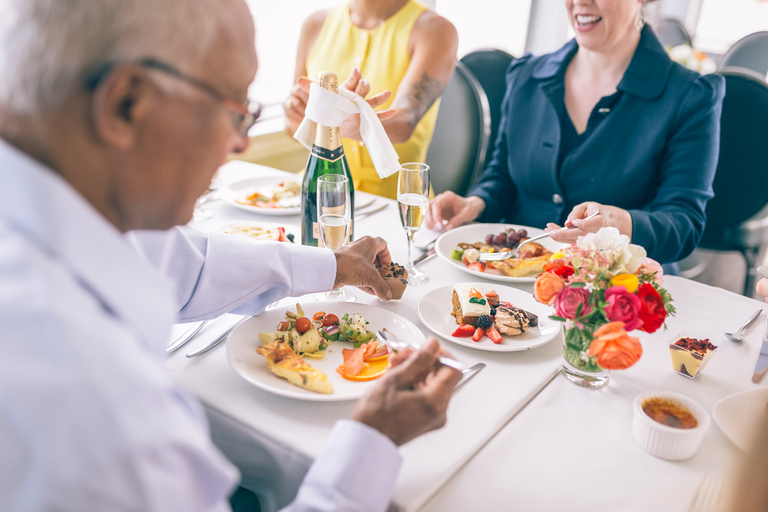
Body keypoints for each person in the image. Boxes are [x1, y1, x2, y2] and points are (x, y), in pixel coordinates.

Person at [0, 1, 462, 511]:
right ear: (126, 104)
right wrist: (372, 441)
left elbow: (182, 263)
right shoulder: (87, 389)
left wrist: (336, 265)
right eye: (234, 111)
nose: (241, 143)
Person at [425, 0, 725, 265]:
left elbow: (684, 225)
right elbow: (502, 176)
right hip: (513, 276)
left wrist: (616, 222)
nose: (581, 1)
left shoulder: (689, 95)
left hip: (616, 290)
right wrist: (476, 202)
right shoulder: (526, 76)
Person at [284, 0, 458, 199]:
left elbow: (405, 123)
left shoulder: (435, 29)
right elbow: (293, 128)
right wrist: (294, 111)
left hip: (395, 202)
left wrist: (361, 124)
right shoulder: (314, 24)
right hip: (319, 190)